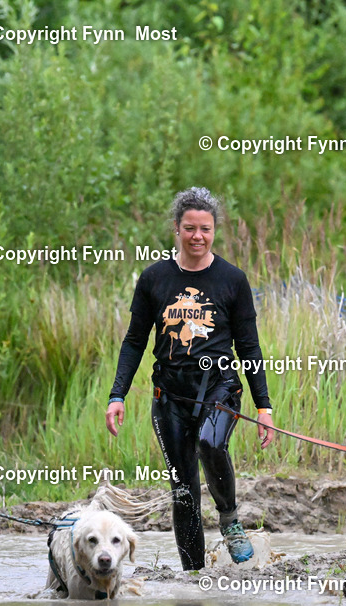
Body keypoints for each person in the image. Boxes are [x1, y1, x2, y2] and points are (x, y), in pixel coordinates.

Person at [106, 187, 274, 570]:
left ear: (214, 231)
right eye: (189, 228)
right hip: (169, 395)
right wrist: (118, 394)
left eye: (206, 229)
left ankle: (229, 518)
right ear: (176, 229)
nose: (197, 236)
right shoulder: (154, 279)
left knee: (210, 443)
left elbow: (249, 347)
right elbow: (134, 341)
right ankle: (193, 579)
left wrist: (263, 406)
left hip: (220, 388)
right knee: (183, 491)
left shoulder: (233, 280)